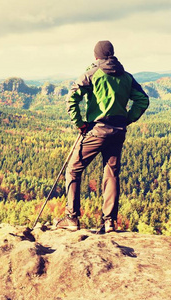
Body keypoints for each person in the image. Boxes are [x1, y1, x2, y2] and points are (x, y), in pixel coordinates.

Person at [55, 40, 149, 233]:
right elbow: (143, 100)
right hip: (118, 131)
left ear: (96, 56)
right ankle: (110, 222)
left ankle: (72, 218)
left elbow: (71, 97)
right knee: (111, 174)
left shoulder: (91, 74)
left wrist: (79, 123)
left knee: (73, 169)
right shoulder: (127, 76)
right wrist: (128, 119)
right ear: (112, 54)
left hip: (96, 130)